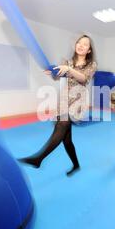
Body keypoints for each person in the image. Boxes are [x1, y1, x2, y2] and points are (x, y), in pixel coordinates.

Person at [19, 35, 97, 176]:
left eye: (85, 44)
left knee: (61, 125)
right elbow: (57, 77)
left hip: (78, 101)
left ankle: (38, 159)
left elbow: (84, 78)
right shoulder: (67, 62)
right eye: (79, 42)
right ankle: (76, 165)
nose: (80, 45)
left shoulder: (92, 65)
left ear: (89, 50)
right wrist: (52, 72)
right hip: (64, 100)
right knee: (66, 139)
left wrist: (68, 69)